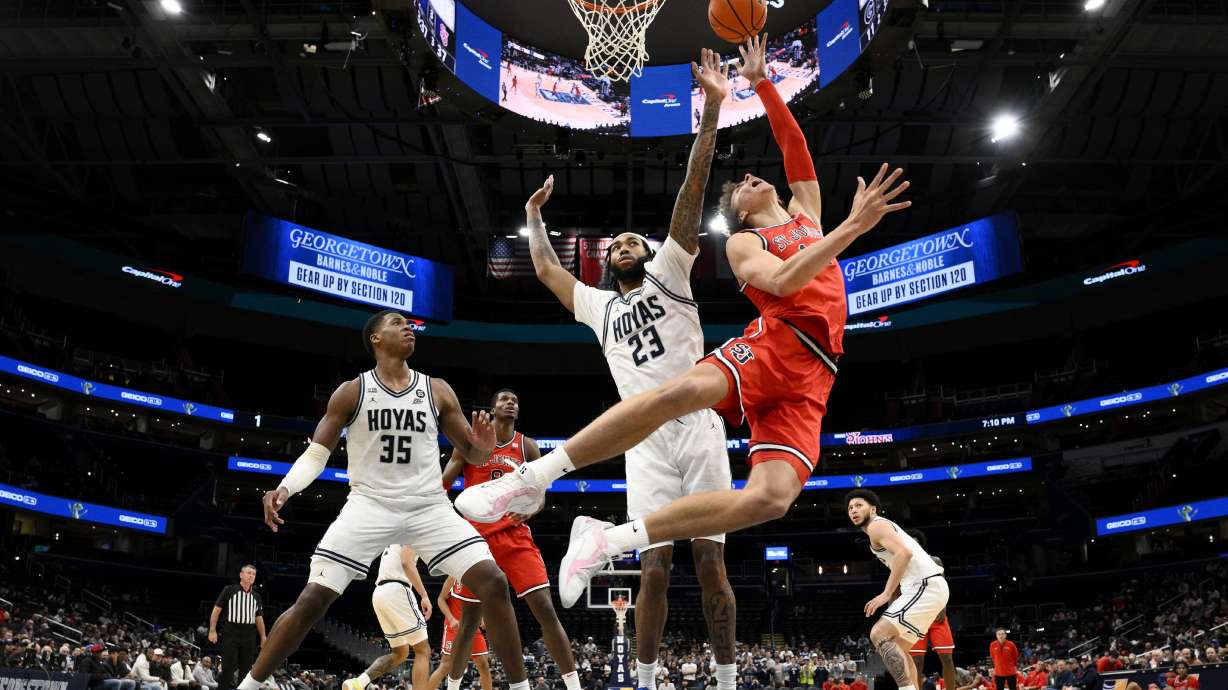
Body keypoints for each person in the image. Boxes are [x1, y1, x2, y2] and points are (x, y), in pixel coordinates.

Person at [454, 35, 910, 605]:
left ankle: (608, 538)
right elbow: (786, 283)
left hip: (816, 372)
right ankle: (533, 477)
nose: (751, 178)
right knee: (680, 392)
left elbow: (794, 146)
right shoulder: (746, 243)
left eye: (749, 177)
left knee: (769, 500)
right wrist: (853, 229)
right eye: (741, 184)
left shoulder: (807, 215)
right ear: (740, 211)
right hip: (774, 346)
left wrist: (764, 82)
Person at [512, 48, 738, 690]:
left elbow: (691, 194)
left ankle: (724, 679)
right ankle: (643, 680)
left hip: (696, 428)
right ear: (608, 263)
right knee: (654, 571)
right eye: (617, 245)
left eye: (635, 239)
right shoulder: (598, 304)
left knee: (712, 566)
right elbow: (549, 271)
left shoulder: (670, 271)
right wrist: (533, 219)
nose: (627, 244)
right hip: (642, 445)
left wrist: (712, 112)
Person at [239, 310, 530, 690]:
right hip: (369, 505)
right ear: (376, 339)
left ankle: (521, 687)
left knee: (493, 581)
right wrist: (285, 488)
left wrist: (483, 448)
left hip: (428, 505)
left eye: (409, 324)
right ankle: (249, 684)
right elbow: (316, 452)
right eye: (396, 323)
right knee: (312, 600)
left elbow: (472, 455)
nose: (408, 327)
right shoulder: (353, 391)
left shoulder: (437, 389)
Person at [439, 389, 583, 690]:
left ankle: (574, 685)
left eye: (515, 400)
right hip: (475, 541)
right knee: (468, 622)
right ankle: (452, 687)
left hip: (514, 536)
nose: (511, 403)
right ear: (492, 408)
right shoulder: (471, 440)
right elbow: (443, 483)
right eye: (504, 399)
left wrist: (530, 510)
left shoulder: (527, 447)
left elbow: (540, 497)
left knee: (545, 608)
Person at [846, 490, 948, 690]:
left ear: (873, 509)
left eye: (859, 505)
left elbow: (904, 553)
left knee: (878, 634)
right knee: (899, 649)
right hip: (928, 588)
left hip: (924, 584)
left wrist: (885, 594)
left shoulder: (876, 525)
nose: (854, 510)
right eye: (850, 508)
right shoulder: (876, 532)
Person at [342, 545, 432, 690]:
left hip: (379, 593)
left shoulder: (395, 534)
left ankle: (359, 682)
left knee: (400, 652)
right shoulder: (411, 528)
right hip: (397, 589)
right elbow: (406, 562)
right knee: (423, 650)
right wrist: (424, 595)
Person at [905, 531, 956, 690]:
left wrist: (943, 607)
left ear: (920, 544)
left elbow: (943, 586)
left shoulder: (934, 560)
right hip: (916, 618)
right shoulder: (903, 564)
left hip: (936, 615)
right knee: (917, 663)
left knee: (947, 658)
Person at [426, 576, 492, 690]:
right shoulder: (453, 577)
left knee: (484, 665)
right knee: (446, 665)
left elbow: (481, 603)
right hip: (454, 626)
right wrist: (451, 619)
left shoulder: (480, 578)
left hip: (472, 627)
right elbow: (440, 599)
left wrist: (482, 618)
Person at [209, 565, 266, 690]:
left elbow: (259, 618)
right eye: (248, 573)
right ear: (241, 575)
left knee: (246, 672)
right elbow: (216, 610)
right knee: (228, 669)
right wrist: (212, 630)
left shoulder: (257, 596)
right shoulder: (229, 590)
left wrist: (263, 637)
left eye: (253, 574)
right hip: (230, 632)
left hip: (249, 635)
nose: (251, 576)